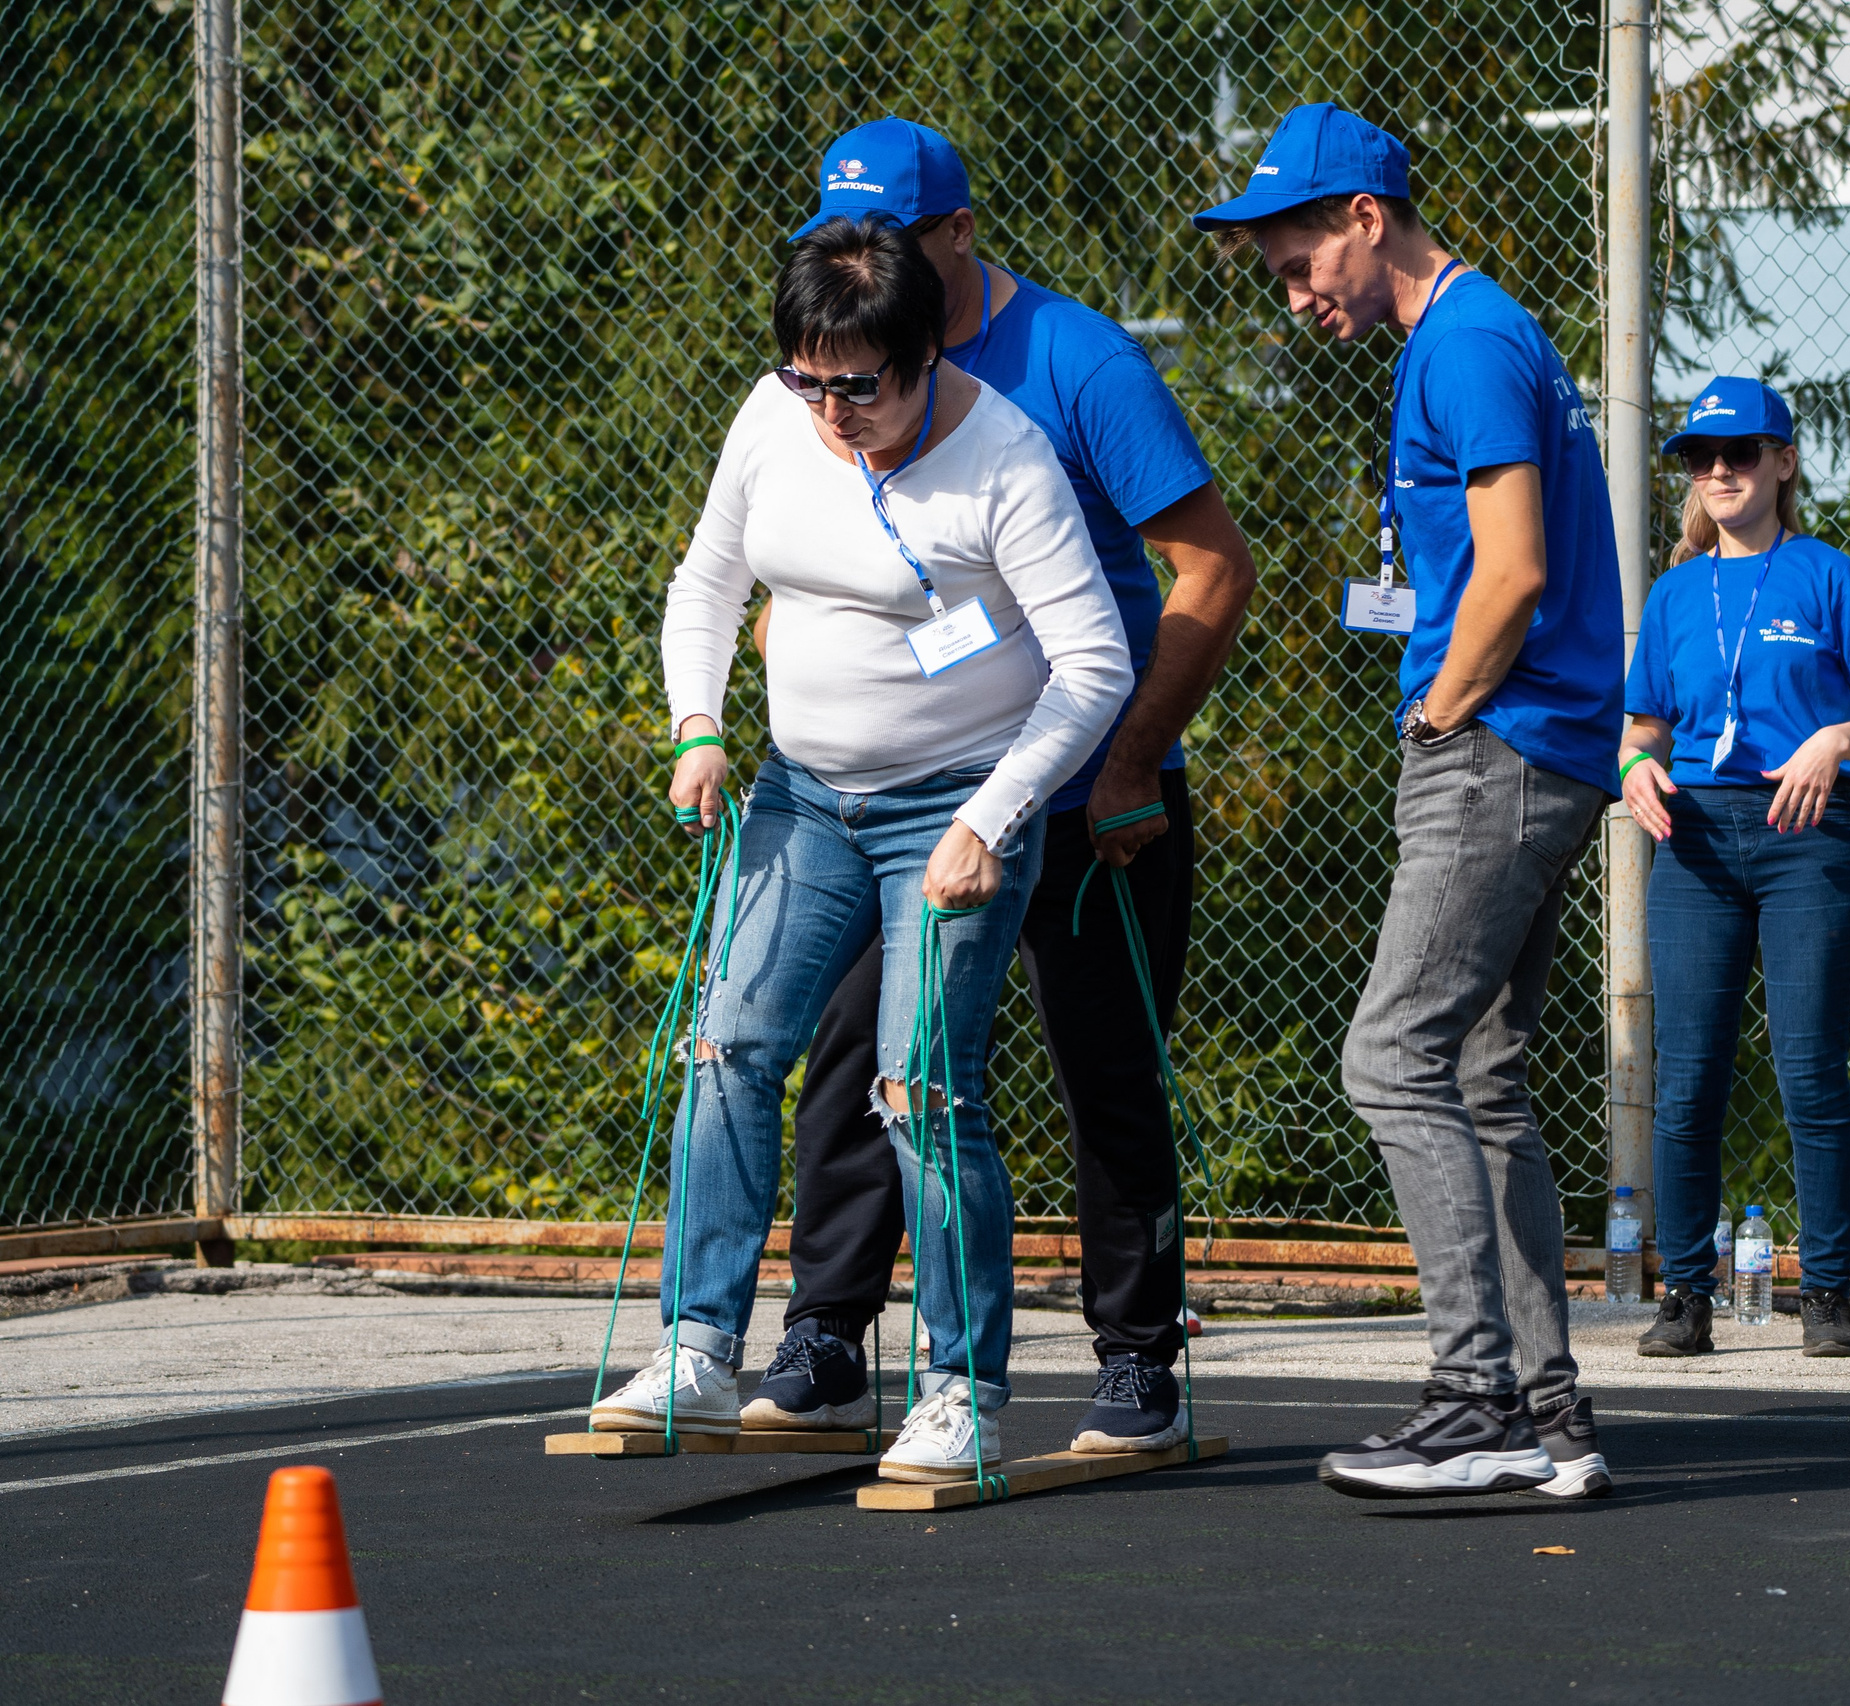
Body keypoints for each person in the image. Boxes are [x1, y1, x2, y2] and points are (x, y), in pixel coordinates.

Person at [737, 118, 1258, 1457]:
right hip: (900, 796)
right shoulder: (838, 361)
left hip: (1086, 786)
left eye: (888, 242)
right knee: (861, 1053)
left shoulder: (1079, 365)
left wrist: (1134, 758)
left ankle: (1140, 1358)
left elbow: (1211, 567)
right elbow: (779, 557)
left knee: (1105, 1068)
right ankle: (831, 1343)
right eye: (838, 244)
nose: (860, 267)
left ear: (959, 237)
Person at [589, 214, 1134, 1486]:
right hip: (798, 792)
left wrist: (988, 819)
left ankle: (959, 1390)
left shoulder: (1004, 459)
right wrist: (698, 726)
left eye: (861, 385)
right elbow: (707, 582)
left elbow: (1095, 660)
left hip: (947, 804)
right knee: (727, 1043)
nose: (833, 408)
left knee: (922, 1091)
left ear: (926, 355)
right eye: (808, 376)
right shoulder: (775, 419)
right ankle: (698, 1342)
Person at [1196, 103, 1623, 1500]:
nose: (1296, 293)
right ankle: (1547, 1414)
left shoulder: (1470, 341)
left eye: (1298, 261)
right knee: (1482, 1073)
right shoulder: (1465, 337)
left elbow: (1514, 569)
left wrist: (1443, 710)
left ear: (1366, 218)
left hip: (1499, 740)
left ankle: (1471, 1399)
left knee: (1392, 1056)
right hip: (1537, 740)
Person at [1617, 377, 1850, 1361]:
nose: (1719, 471)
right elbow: (1643, 723)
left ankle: (1824, 1294)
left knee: (1808, 1074)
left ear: (1782, 460)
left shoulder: (1828, 574)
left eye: (1739, 452)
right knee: (1688, 1079)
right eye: (1702, 458)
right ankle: (1685, 1299)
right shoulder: (1673, 590)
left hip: (1807, 835)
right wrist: (1633, 766)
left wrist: (1834, 737)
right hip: (1695, 839)